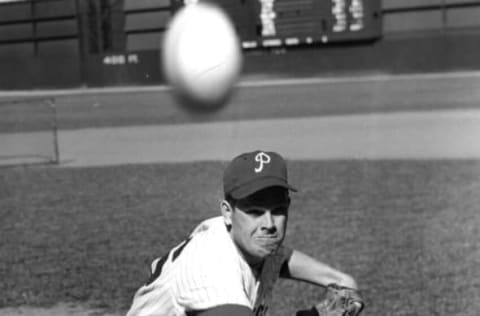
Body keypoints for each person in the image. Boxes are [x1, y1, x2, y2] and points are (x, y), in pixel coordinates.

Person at [127, 150, 362, 316]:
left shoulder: (249, 241)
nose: (269, 223)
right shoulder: (212, 268)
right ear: (227, 212)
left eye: (278, 210)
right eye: (255, 211)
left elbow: (279, 259)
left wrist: (342, 281)